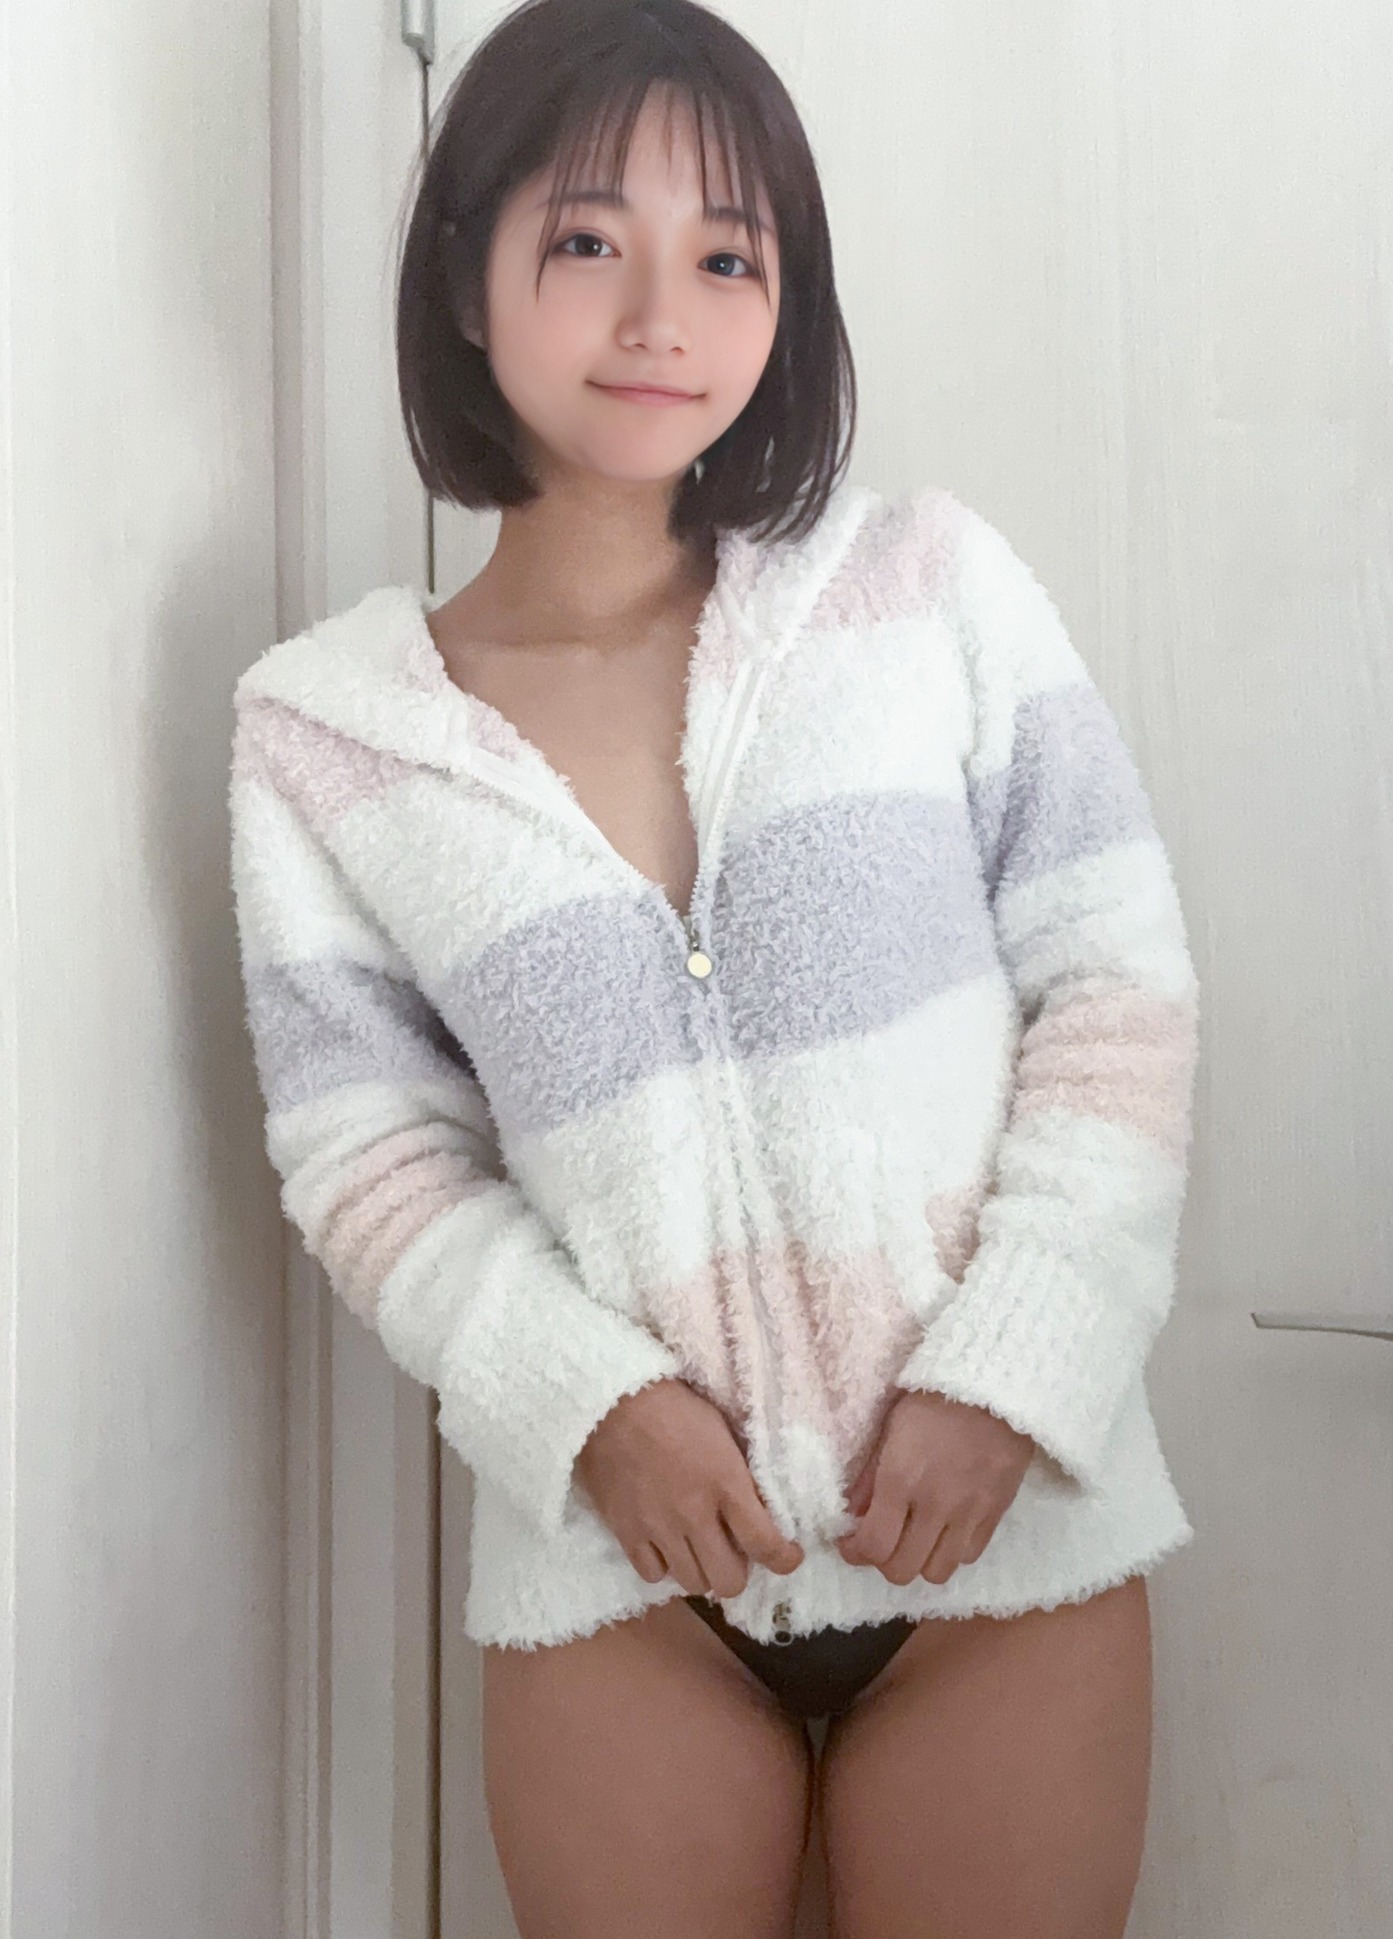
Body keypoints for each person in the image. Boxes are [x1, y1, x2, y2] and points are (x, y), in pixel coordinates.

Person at [228, 2, 1201, 1932]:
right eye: (588, 239)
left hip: (1005, 1545)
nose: (660, 314)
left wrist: (1020, 1365)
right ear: (468, 275)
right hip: (624, 1580)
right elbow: (367, 1155)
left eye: (729, 256)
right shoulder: (326, 736)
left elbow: (1117, 986)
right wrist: (586, 1404)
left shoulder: (927, 588)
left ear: (785, 302)